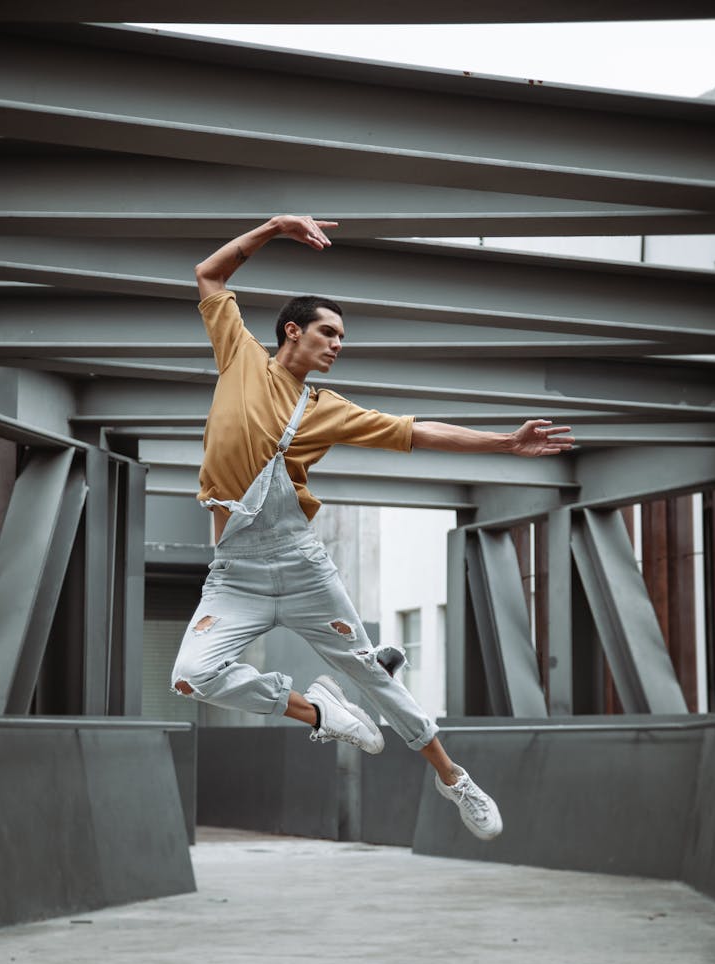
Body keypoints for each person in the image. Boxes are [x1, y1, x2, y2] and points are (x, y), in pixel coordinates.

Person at [171, 215, 575, 840]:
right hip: (234, 574)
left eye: (341, 337)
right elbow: (209, 273)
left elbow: (418, 432)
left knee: (373, 677)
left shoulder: (330, 410)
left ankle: (454, 778)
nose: (337, 344)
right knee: (192, 676)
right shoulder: (240, 357)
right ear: (291, 332)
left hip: (301, 566)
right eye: (327, 332)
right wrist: (277, 226)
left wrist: (504, 443)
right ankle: (319, 712)